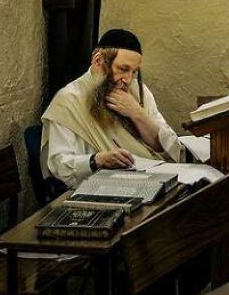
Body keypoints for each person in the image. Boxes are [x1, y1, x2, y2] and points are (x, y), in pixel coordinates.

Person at [40, 29, 182, 188]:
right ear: (98, 61)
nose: (128, 80)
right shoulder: (69, 100)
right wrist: (97, 160)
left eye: (133, 72)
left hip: (152, 180)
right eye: (123, 69)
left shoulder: (137, 91)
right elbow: (59, 165)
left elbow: (168, 146)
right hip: (98, 188)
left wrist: (137, 113)